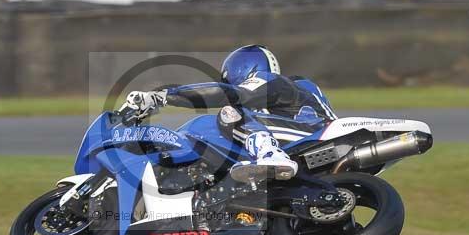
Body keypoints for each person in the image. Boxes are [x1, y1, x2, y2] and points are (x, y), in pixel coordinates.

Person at [122, 45, 337, 182]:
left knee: (230, 112)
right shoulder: (281, 99)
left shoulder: (273, 81)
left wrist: (162, 96)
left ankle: (270, 155)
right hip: (305, 142)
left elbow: (233, 94)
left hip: (313, 135)